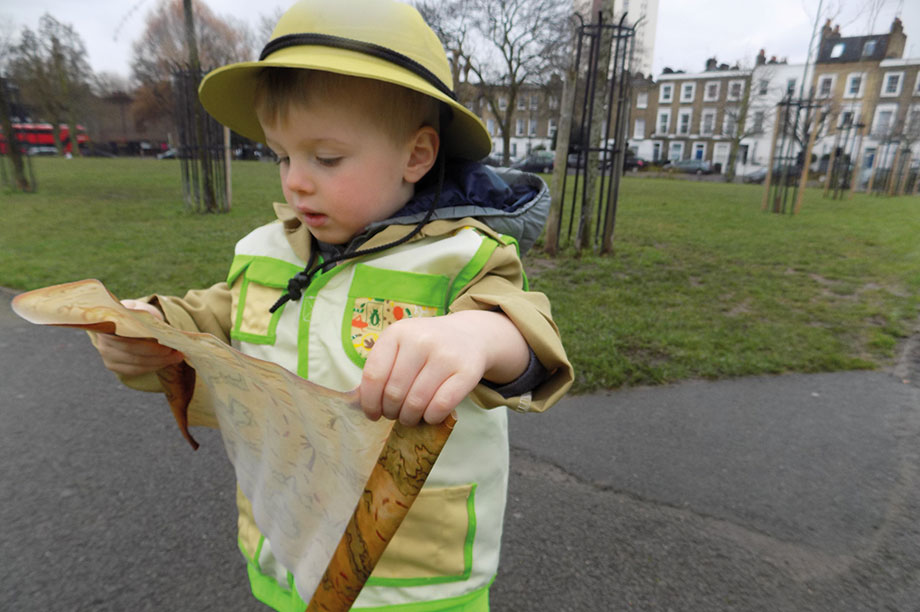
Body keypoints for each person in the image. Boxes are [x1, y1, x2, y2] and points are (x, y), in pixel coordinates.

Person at [91, 0, 573, 610]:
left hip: (411, 577)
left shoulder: (462, 257)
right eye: (282, 156)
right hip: (285, 547)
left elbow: (528, 338)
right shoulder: (266, 251)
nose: (295, 181)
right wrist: (150, 327)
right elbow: (214, 316)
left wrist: (477, 338)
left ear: (416, 156)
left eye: (326, 158)